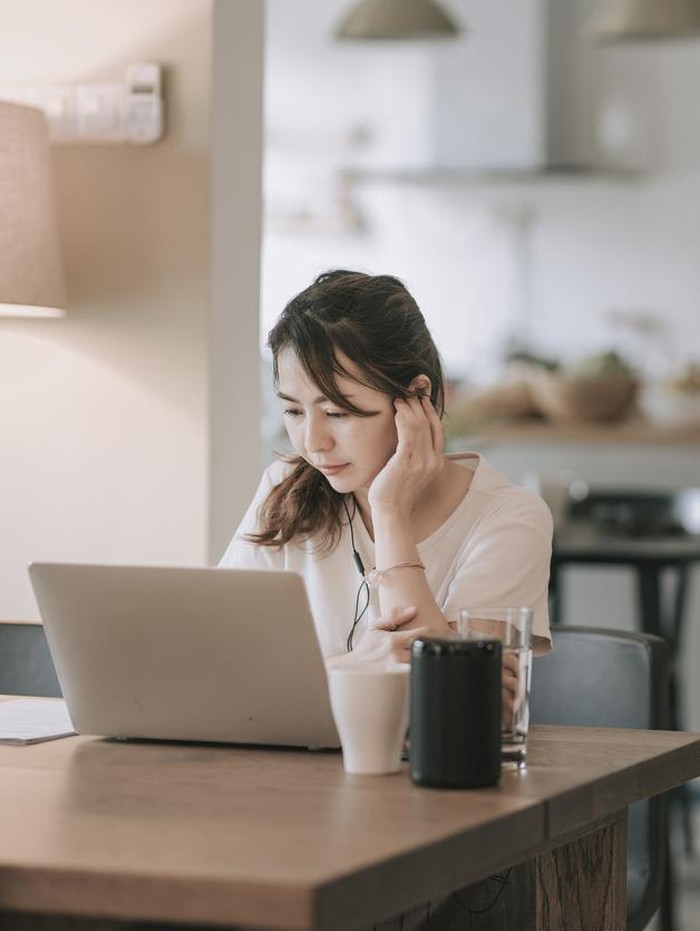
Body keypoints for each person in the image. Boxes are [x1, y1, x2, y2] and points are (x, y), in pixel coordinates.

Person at [220, 269, 552, 667]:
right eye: (292, 411)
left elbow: (460, 698)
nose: (313, 441)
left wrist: (389, 509)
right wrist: (351, 668)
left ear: (415, 398)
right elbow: (223, 664)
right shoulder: (284, 488)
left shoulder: (508, 518)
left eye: (337, 412)